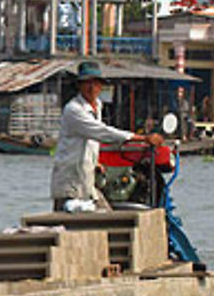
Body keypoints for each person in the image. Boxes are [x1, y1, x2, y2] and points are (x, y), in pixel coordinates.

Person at [50, 61, 163, 211]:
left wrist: (95, 162)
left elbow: (90, 141)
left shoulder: (97, 105)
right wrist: (142, 138)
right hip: (69, 182)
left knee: (106, 214)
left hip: (87, 180)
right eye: (87, 83)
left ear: (101, 86)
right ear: (79, 85)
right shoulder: (73, 109)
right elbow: (101, 132)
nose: (92, 88)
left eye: (96, 84)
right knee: (68, 222)